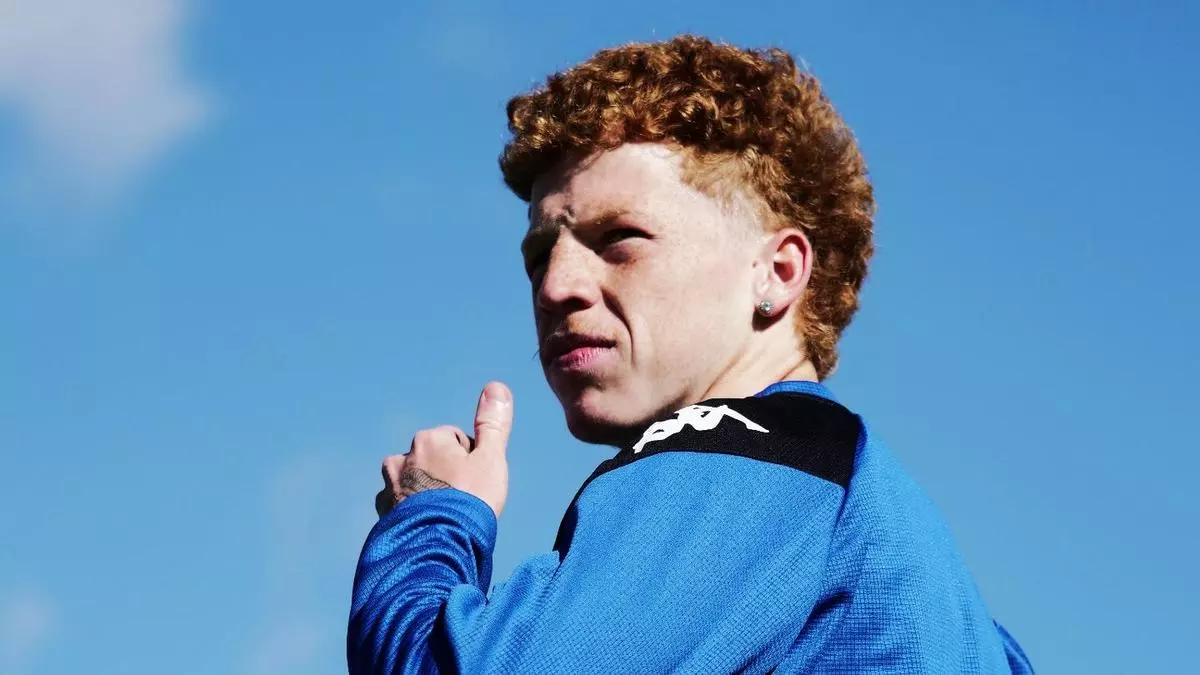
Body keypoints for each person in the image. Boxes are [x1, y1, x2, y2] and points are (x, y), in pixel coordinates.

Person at [347, 35, 1033, 674]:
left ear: (777, 272)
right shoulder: (955, 606)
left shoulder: (759, 451)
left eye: (619, 238)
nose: (555, 287)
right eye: (539, 256)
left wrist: (433, 514)